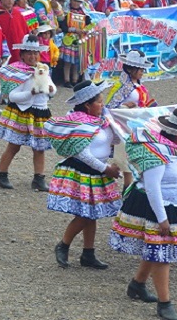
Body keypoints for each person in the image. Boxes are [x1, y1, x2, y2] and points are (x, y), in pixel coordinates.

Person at [110, 107, 177, 320]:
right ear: (176, 134)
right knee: (162, 254)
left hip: (174, 206)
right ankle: (164, 303)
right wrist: (161, 218)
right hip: (157, 206)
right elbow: (152, 187)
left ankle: (137, 284)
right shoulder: (156, 152)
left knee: (157, 249)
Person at [45, 80, 122, 269]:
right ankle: (63, 244)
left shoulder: (101, 121)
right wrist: (106, 169)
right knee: (84, 214)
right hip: (83, 172)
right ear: (87, 104)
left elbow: (118, 140)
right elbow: (82, 153)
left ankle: (88, 254)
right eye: (99, 102)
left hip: (98, 171)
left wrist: (113, 124)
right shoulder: (78, 123)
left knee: (91, 214)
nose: (102, 105)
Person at [0, 35, 55, 191]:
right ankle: (1, 173)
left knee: (39, 147)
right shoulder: (17, 71)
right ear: (21, 54)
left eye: (35, 53)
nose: (32, 56)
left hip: (41, 112)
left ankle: (39, 178)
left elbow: (52, 89)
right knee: (14, 145)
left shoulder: (43, 70)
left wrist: (51, 90)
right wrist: (31, 93)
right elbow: (13, 97)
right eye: (28, 53)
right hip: (23, 112)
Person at [104, 50, 156, 189]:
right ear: (131, 69)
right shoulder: (122, 87)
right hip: (124, 130)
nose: (142, 71)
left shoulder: (138, 85)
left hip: (137, 128)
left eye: (142, 68)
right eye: (140, 69)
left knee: (132, 163)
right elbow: (109, 108)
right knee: (126, 165)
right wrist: (124, 107)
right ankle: (126, 194)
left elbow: (146, 102)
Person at [0, 0, 30, 64]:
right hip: (4, 51)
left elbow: (25, 32)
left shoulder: (18, 14)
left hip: (19, 51)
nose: (10, 0)